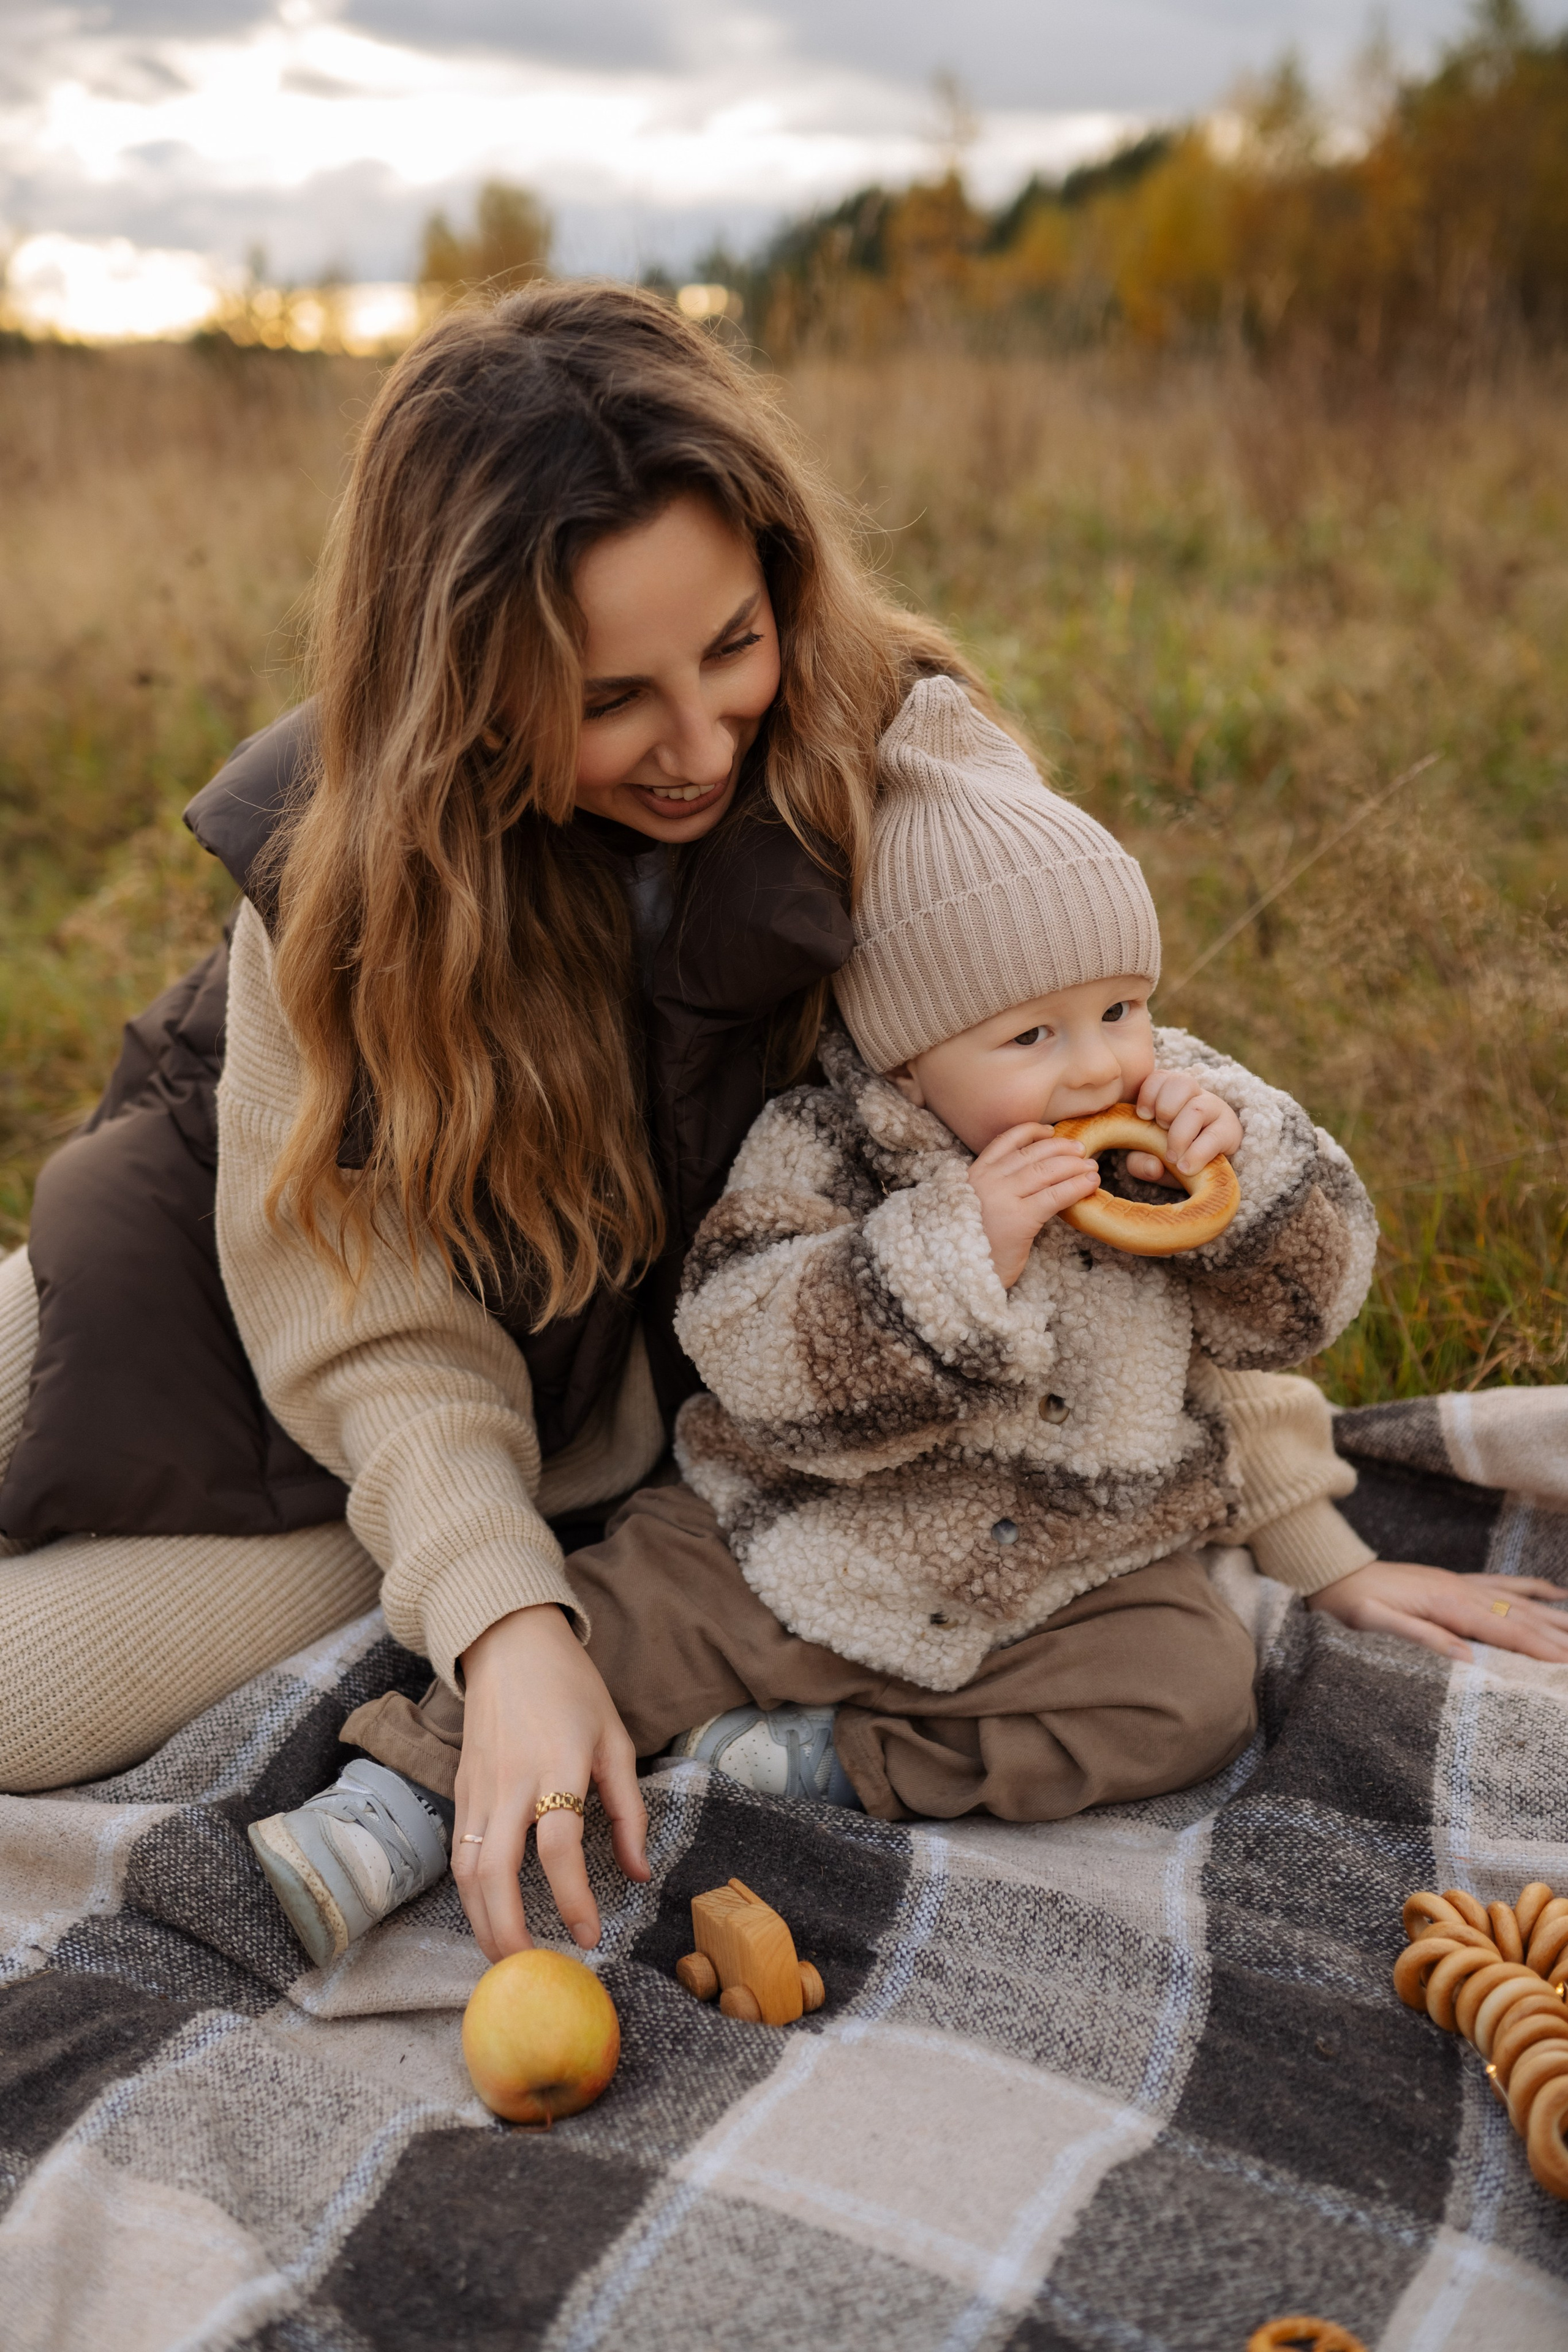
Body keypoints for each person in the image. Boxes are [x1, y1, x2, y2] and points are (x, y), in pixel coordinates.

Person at [6, 286, 1562, 1976]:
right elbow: (364, 1314)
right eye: (609, 700)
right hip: (276, 1278)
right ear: (460, 690)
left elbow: (1113, 1140)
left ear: (784, 584)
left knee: (27, 1701)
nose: (697, 748)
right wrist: (510, 1631)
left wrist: (1299, 1520)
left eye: (733, 647)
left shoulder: (906, 765)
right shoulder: (356, 863)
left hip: (532, 1423)